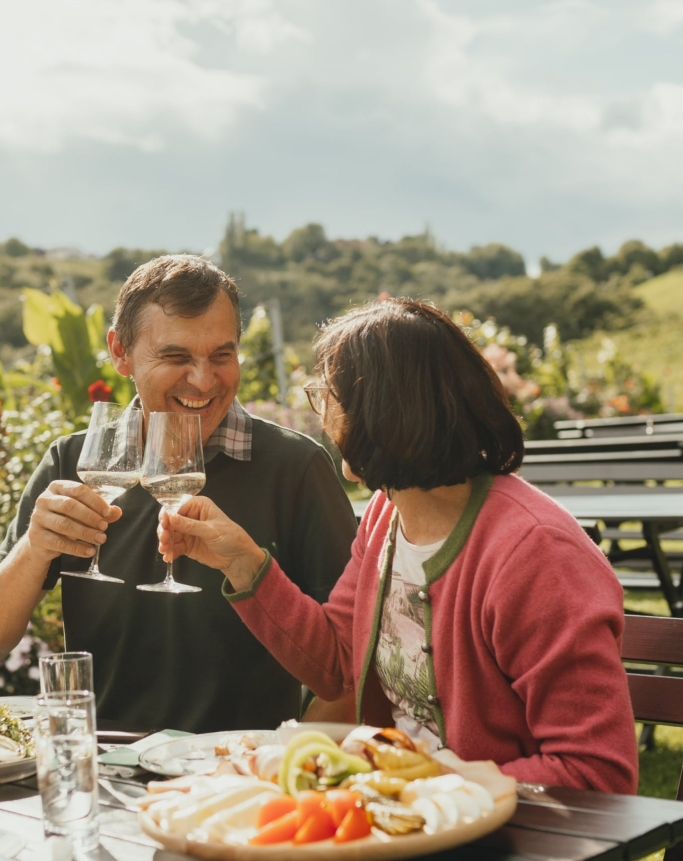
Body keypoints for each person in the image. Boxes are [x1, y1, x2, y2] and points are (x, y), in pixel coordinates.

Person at [157, 297, 639, 793]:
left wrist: (423, 780)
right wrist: (244, 563)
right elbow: (340, 663)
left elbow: (596, 773)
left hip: (498, 832)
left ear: (385, 411)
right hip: (401, 813)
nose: (321, 415)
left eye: (328, 396)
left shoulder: (536, 554)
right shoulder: (388, 516)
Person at [0, 255, 357, 733]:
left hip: (226, 785)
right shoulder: (72, 462)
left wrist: (279, 761)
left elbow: (356, 665)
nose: (204, 380)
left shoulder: (296, 469)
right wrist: (33, 550)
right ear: (120, 352)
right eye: (176, 357)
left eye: (222, 355)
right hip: (101, 773)